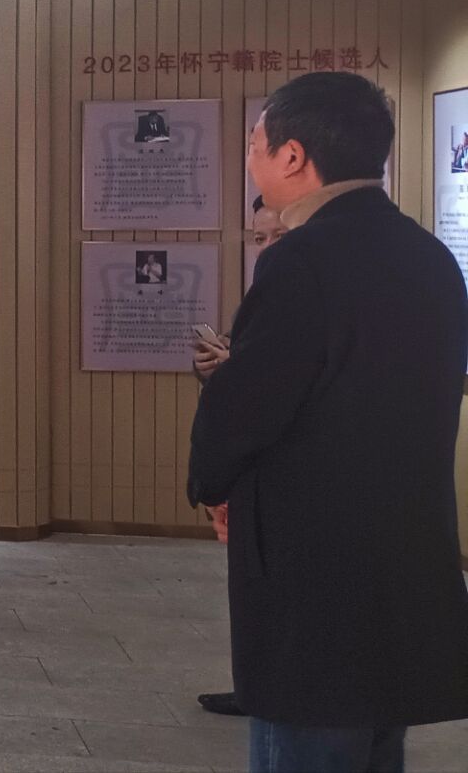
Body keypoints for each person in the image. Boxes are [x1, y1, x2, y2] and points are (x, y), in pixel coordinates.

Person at [188, 71, 468, 773]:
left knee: (306, 743)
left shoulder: (302, 259)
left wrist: (215, 485)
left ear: (293, 156)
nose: (250, 157)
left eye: (255, 143)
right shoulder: (430, 257)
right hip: (403, 561)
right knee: (375, 745)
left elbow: (250, 403)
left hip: (314, 571)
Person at [188, 193, 288, 721]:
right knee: (250, 593)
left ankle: (267, 691)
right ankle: (254, 685)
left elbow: (281, 392)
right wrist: (214, 369)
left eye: (280, 237)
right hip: (247, 475)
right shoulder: (264, 294)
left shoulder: (308, 295)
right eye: (259, 238)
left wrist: (237, 370)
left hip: (284, 479)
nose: (267, 248)